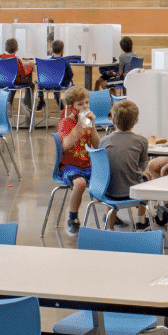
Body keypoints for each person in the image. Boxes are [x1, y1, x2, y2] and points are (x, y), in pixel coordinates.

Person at [102, 99, 150, 230]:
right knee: (148, 176)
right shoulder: (142, 141)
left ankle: (109, 226)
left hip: (107, 193)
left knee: (110, 176)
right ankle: (140, 219)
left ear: (113, 120)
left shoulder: (104, 141)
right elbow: (141, 166)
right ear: (136, 120)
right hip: (132, 193)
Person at [58, 86, 99, 234]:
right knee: (80, 183)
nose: (85, 106)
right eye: (80, 104)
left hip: (87, 164)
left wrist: (92, 126)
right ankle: (72, 217)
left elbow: (97, 144)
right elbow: (67, 145)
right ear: (72, 107)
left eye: (87, 103)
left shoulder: (87, 122)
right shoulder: (65, 123)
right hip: (70, 165)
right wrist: (80, 126)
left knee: (109, 174)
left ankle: (111, 213)